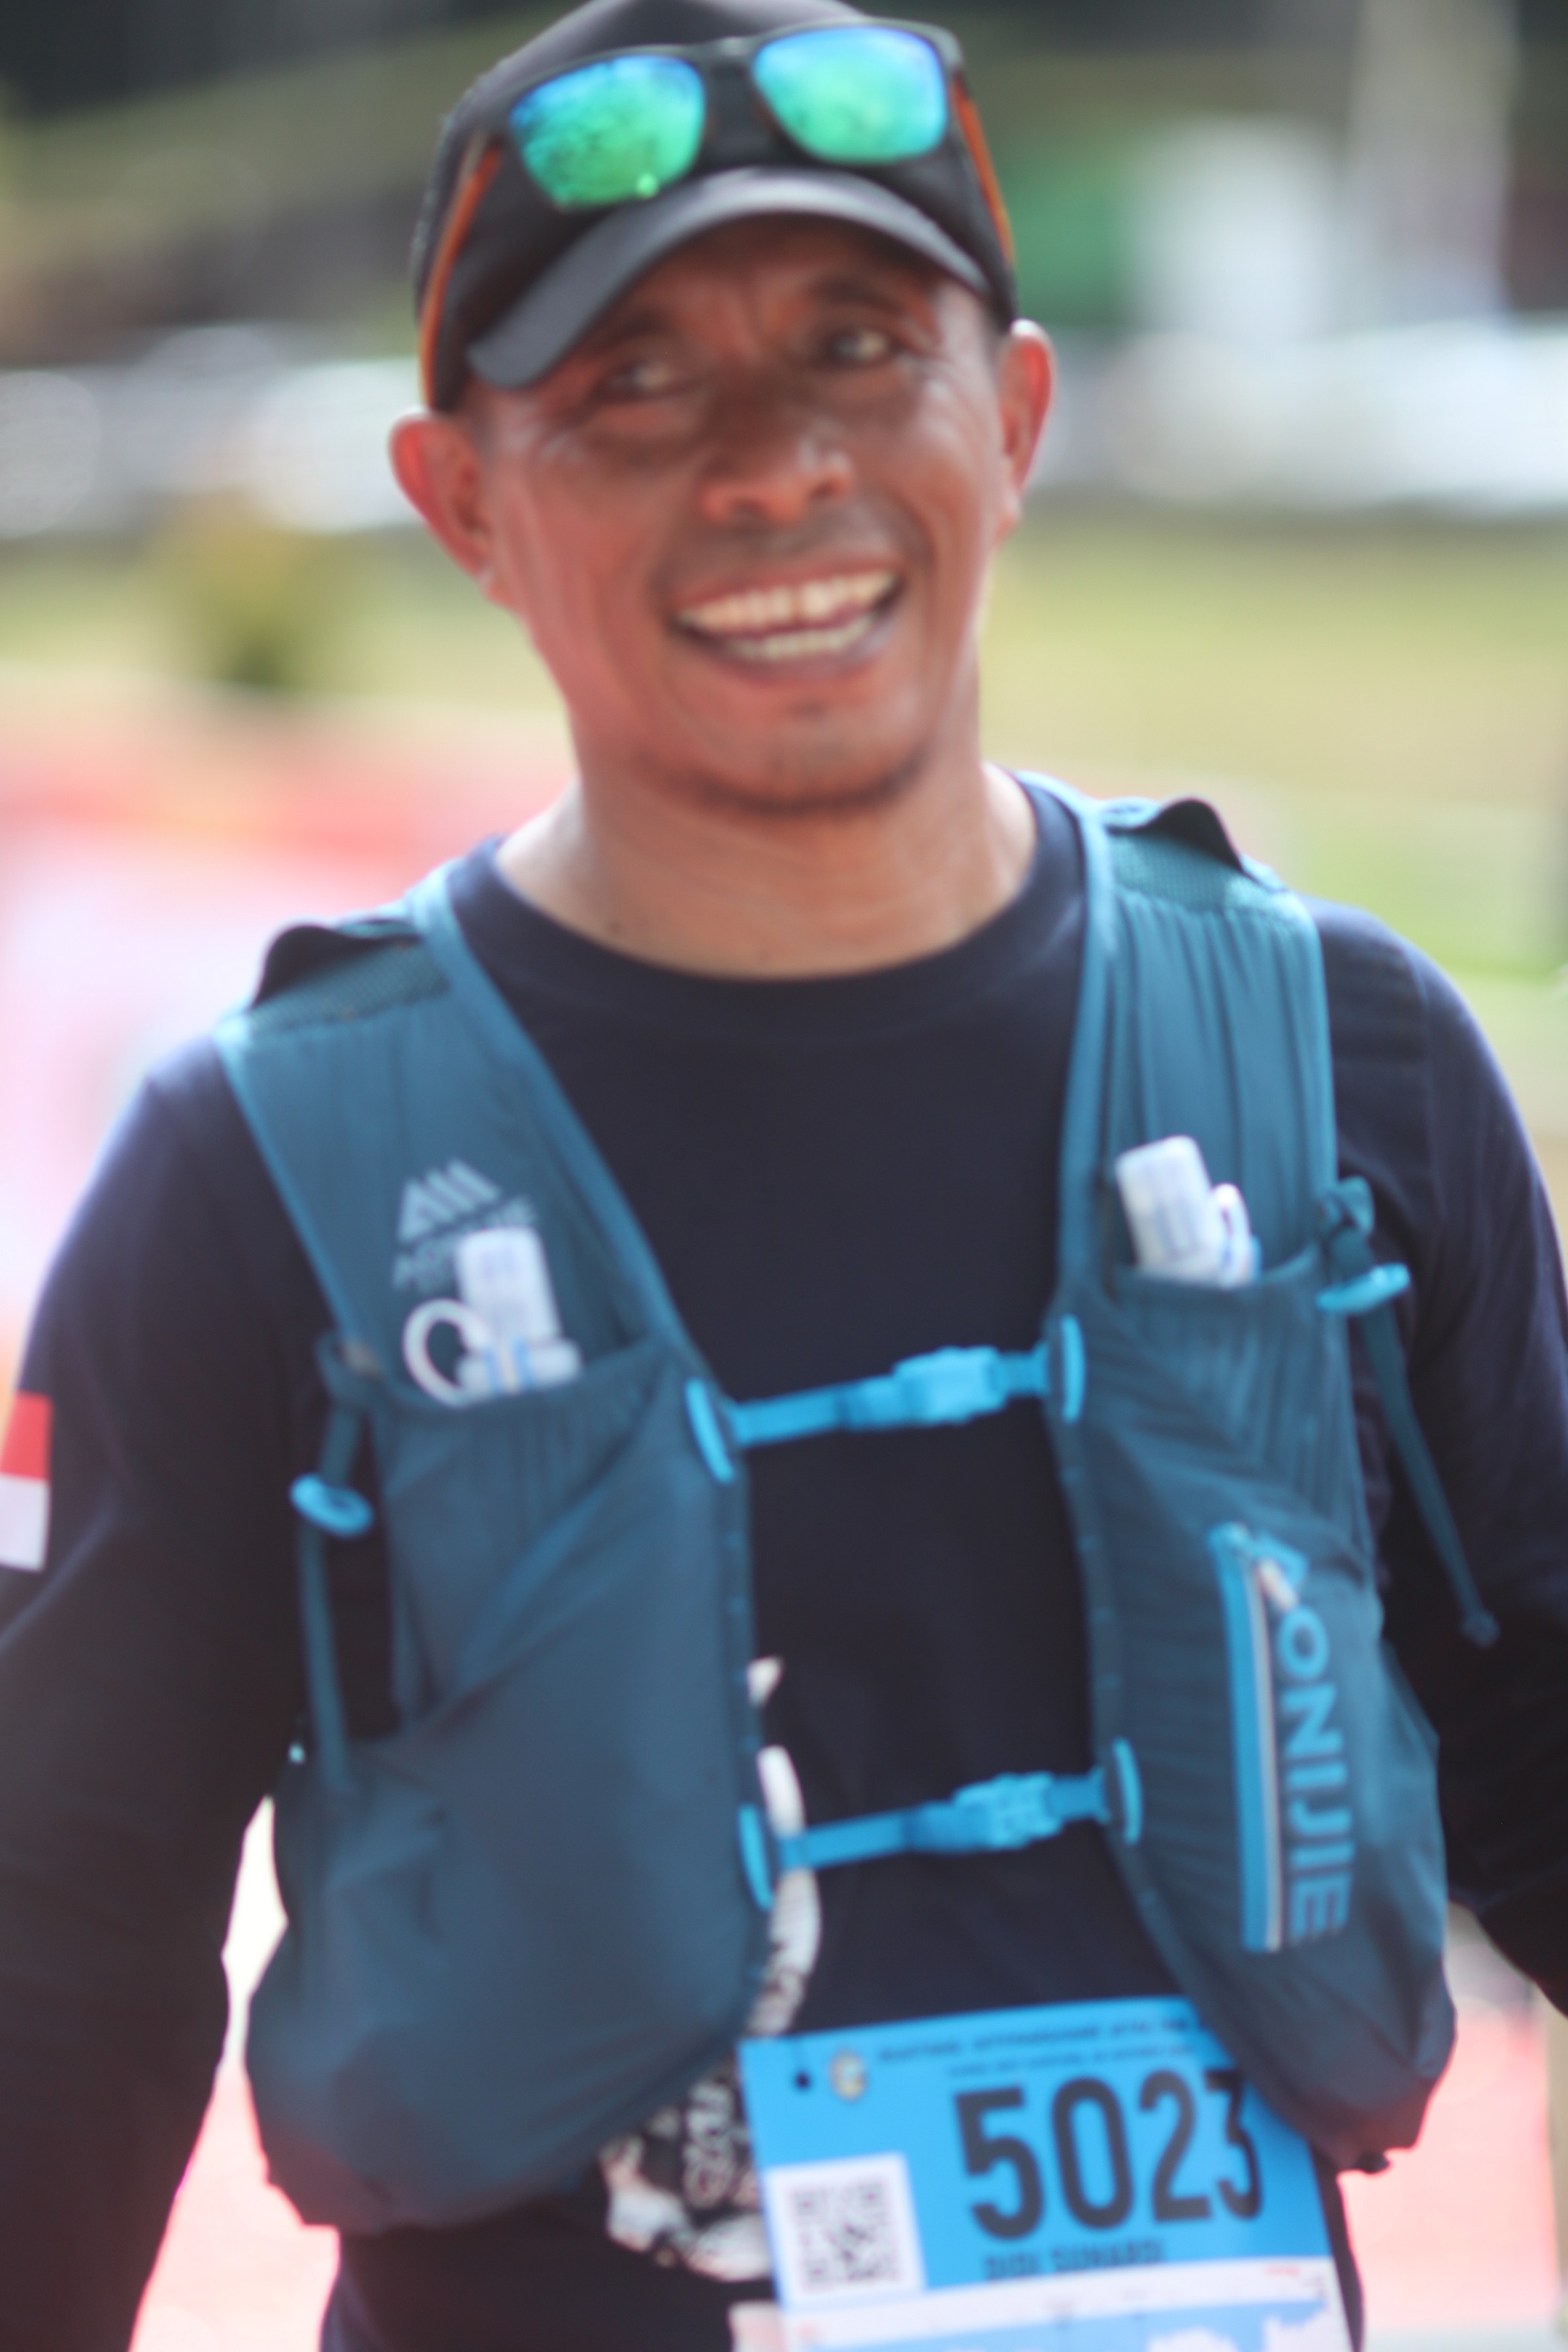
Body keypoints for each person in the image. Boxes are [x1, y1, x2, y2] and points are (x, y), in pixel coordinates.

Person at [1, 1, 1567, 2347]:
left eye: (860, 347)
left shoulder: (1349, 1069)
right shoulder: (256, 1177)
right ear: (460, 502)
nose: (774, 467)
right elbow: (57, 1967)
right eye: (636, 386)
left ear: (1011, 419)